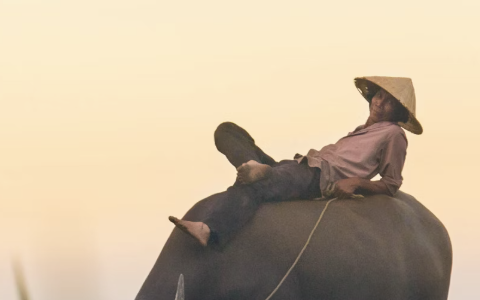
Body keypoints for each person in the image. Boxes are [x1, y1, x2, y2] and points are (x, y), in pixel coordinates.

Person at [171, 76, 422, 248]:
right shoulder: (363, 129)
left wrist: (355, 182)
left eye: (388, 101)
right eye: (378, 96)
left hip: (317, 176)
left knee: (255, 187)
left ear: (397, 111)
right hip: (298, 165)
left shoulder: (393, 134)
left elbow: (391, 183)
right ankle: (254, 166)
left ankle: (212, 231)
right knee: (226, 130)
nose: (379, 103)